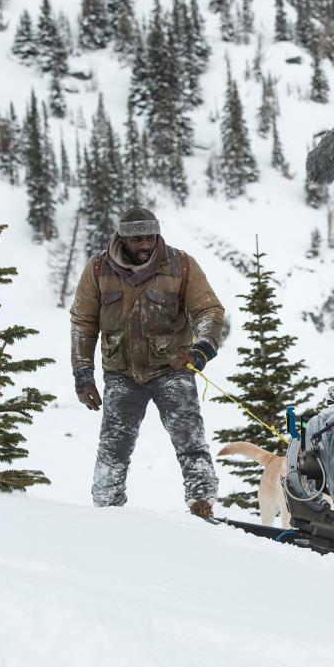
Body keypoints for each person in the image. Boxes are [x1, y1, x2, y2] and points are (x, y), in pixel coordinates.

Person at [70, 207, 225, 518]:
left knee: (191, 440)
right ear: (123, 238)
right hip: (121, 374)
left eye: (151, 237)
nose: (146, 245)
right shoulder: (98, 267)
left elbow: (208, 311)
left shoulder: (181, 264)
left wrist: (202, 349)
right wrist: (82, 373)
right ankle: (105, 510)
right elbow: (83, 322)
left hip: (173, 368)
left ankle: (202, 505)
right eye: (138, 238)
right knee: (113, 448)